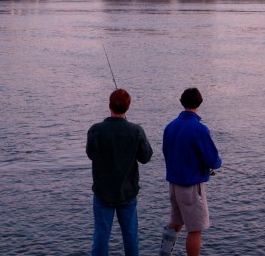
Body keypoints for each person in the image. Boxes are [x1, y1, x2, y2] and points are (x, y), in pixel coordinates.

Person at [86, 88, 153, 256]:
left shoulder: (95, 130)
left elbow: (90, 154)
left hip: (102, 192)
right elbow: (146, 157)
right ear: (128, 107)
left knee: (101, 235)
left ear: (109, 106)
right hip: (128, 192)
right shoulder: (136, 131)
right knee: (130, 236)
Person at [161, 88, 222, 256]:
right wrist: (218, 163)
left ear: (182, 102)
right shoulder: (199, 129)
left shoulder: (170, 127)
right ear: (199, 103)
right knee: (195, 230)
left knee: (175, 224)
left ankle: (164, 254)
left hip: (173, 184)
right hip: (191, 187)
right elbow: (212, 160)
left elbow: (166, 152)